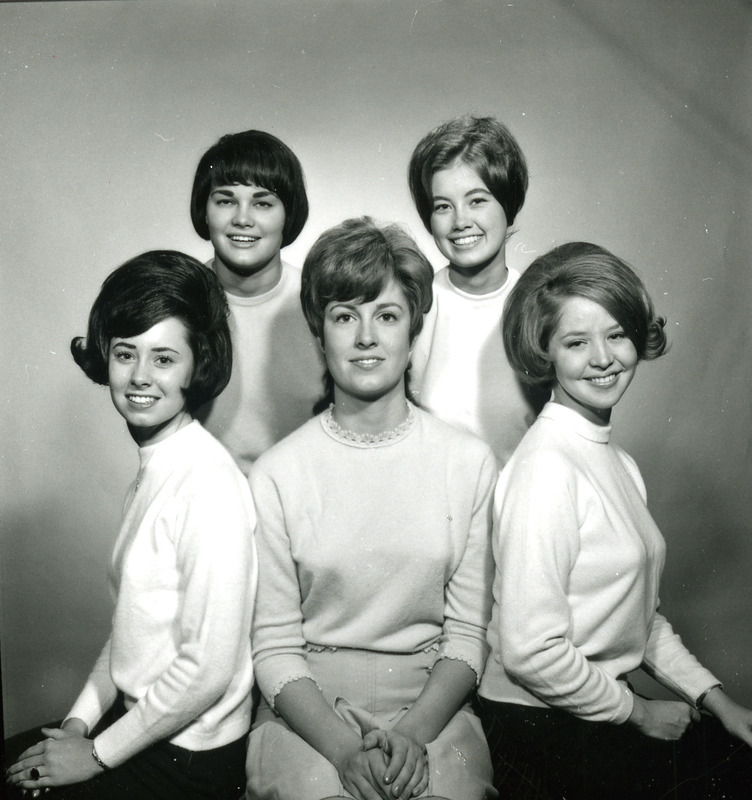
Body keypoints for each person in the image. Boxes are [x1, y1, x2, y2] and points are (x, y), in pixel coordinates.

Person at [476, 241, 752, 799]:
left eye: (616, 333)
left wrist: (719, 702)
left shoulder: (614, 461)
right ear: (544, 352)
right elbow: (529, 652)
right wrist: (639, 713)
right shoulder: (546, 468)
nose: (603, 358)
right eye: (576, 342)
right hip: (535, 724)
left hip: (591, 703)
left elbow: (639, 620)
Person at [245, 218, 498, 800]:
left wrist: (412, 734)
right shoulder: (277, 474)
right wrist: (340, 750)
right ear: (320, 333)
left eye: (386, 315)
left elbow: (467, 632)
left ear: (412, 331)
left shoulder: (468, 463)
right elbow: (276, 646)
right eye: (344, 316)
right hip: (307, 712)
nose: (366, 337)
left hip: (432, 705)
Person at [6, 251, 257, 800]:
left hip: (191, 758)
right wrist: (76, 723)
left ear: (197, 364)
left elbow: (209, 669)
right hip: (143, 722)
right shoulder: (159, 466)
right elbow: (132, 635)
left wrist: (93, 753)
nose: (140, 377)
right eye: (126, 354)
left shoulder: (207, 484)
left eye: (164, 358)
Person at [407, 115, 543, 466]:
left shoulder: (542, 307)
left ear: (507, 205)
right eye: (442, 206)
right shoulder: (413, 304)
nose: (460, 221)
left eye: (477, 200)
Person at [190, 129, 325, 474]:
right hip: (204, 505)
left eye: (263, 203)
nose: (243, 219)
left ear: (287, 215)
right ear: (204, 211)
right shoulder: (179, 299)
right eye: (225, 200)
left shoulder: (321, 302)